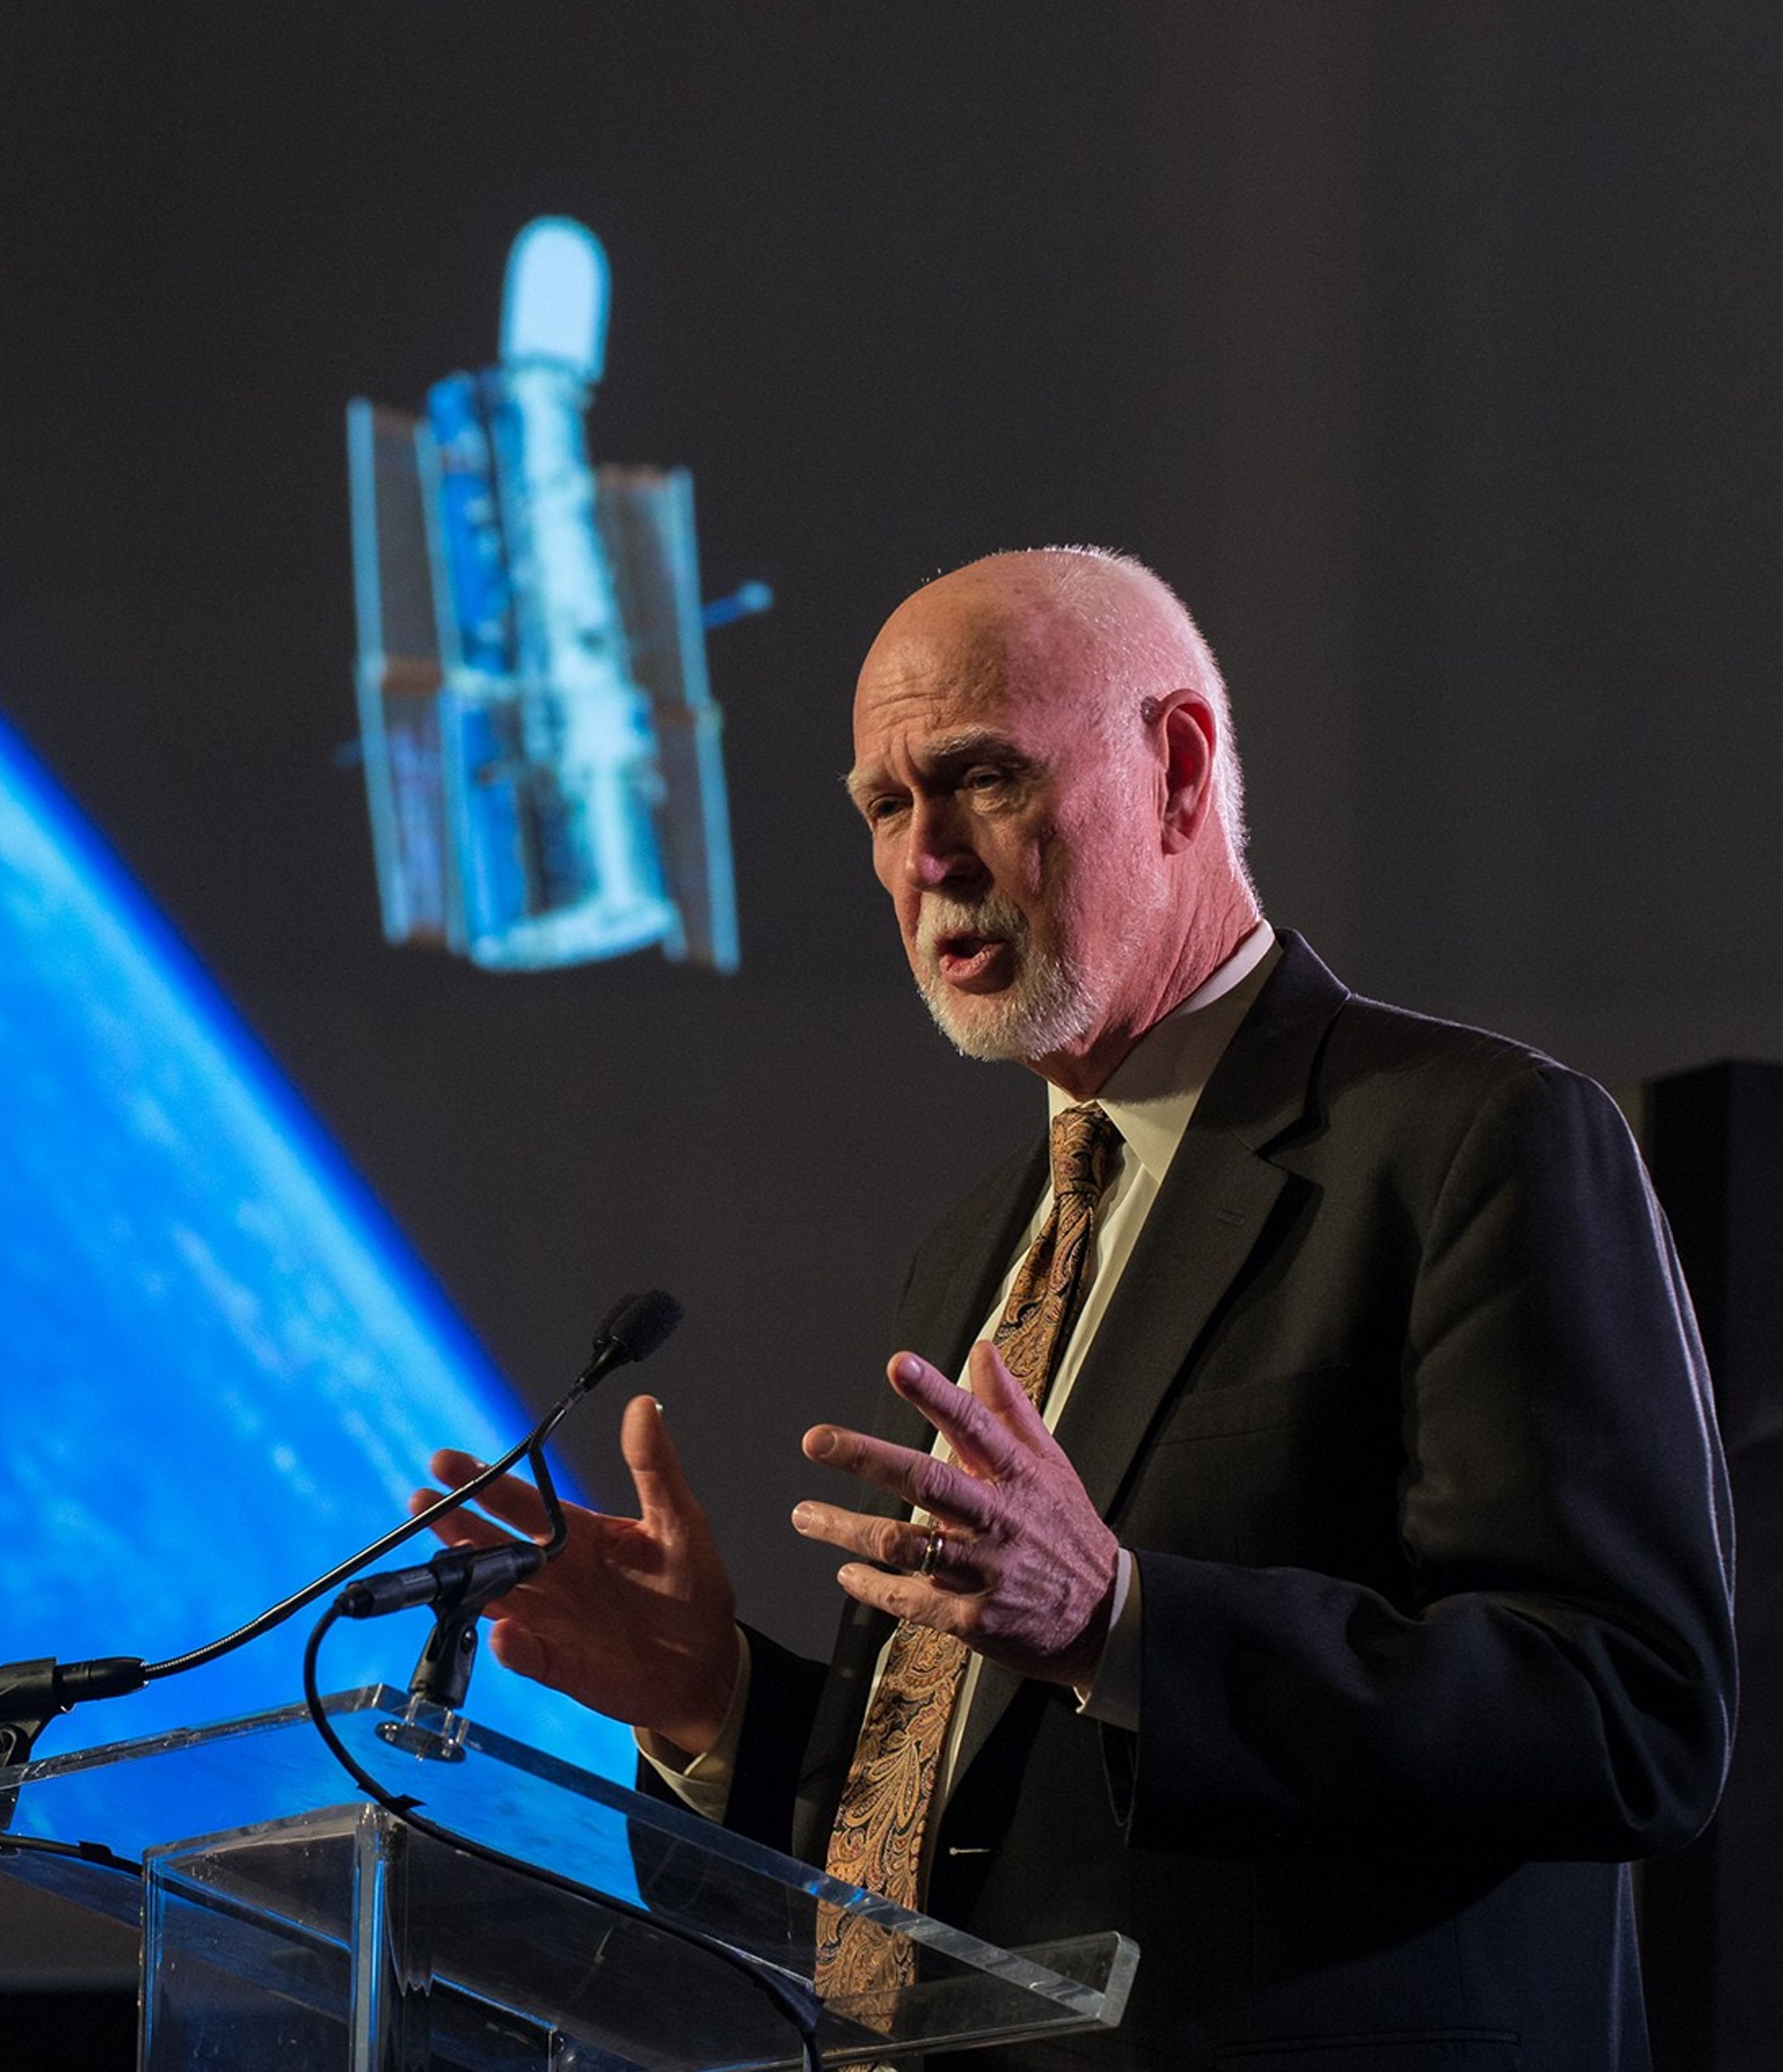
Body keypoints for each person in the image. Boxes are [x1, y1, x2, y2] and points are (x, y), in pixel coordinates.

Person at [418, 549, 1735, 2071]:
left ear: (1174, 768)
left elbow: (1627, 1717)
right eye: (882, 808)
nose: (925, 859)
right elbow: (977, 1829)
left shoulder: (1466, 1142)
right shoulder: (983, 1245)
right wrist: (710, 1703)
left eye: (977, 779)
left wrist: (1124, 1623)